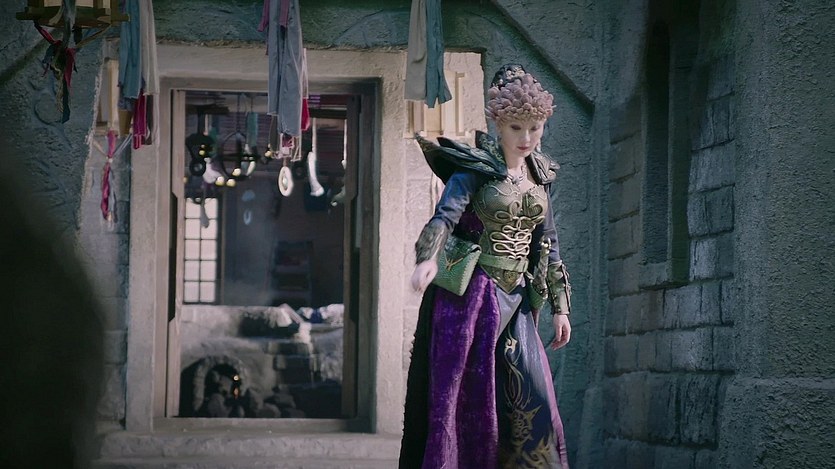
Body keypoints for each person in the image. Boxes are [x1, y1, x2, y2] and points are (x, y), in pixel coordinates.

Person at [399, 64, 572, 469]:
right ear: (498, 123)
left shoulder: (540, 175)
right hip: (473, 299)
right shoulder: (474, 169)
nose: (526, 138)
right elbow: (445, 216)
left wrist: (560, 307)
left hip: (518, 301)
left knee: (531, 398)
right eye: (516, 128)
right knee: (469, 402)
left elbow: (548, 241)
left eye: (534, 128)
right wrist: (427, 259)